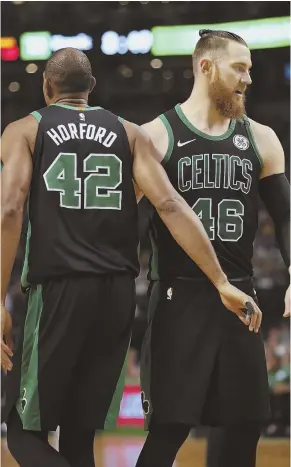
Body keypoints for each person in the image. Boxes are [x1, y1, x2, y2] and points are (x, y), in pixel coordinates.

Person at [0, 47, 259, 467]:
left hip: (58, 291)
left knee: (22, 435)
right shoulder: (129, 133)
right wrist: (221, 281)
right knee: (79, 437)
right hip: (118, 296)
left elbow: (10, 208)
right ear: (92, 88)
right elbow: (173, 206)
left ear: (46, 87)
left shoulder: (25, 129)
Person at [136, 30, 290, 467]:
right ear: (206, 67)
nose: (248, 78)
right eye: (239, 68)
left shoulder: (260, 137)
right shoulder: (155, 135)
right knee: (168, 430)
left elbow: (286, 216)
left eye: (250, 69)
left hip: (240, 299)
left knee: (241, 429)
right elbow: (116, 218)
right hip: (176, 296)